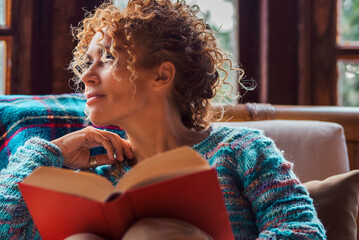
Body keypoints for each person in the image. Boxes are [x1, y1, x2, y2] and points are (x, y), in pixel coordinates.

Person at [0, 0, 326, 239]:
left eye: (108, 59)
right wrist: (52, 151)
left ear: (161, 74)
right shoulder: (95, 180)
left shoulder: (242, 149)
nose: (86, 75)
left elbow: (304, 232)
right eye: (88, 62)